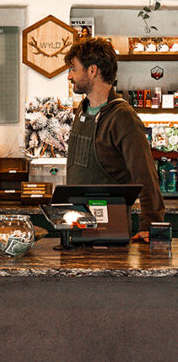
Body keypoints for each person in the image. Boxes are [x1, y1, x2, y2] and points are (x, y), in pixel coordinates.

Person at [65, 37, 164, 238]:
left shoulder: (122, 117)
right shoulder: (82, 112)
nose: (69, 76)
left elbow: (145, 175)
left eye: (74, 68)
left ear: (92, 71)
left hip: (109, 231)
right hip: (76, 224)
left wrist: (150, 225)